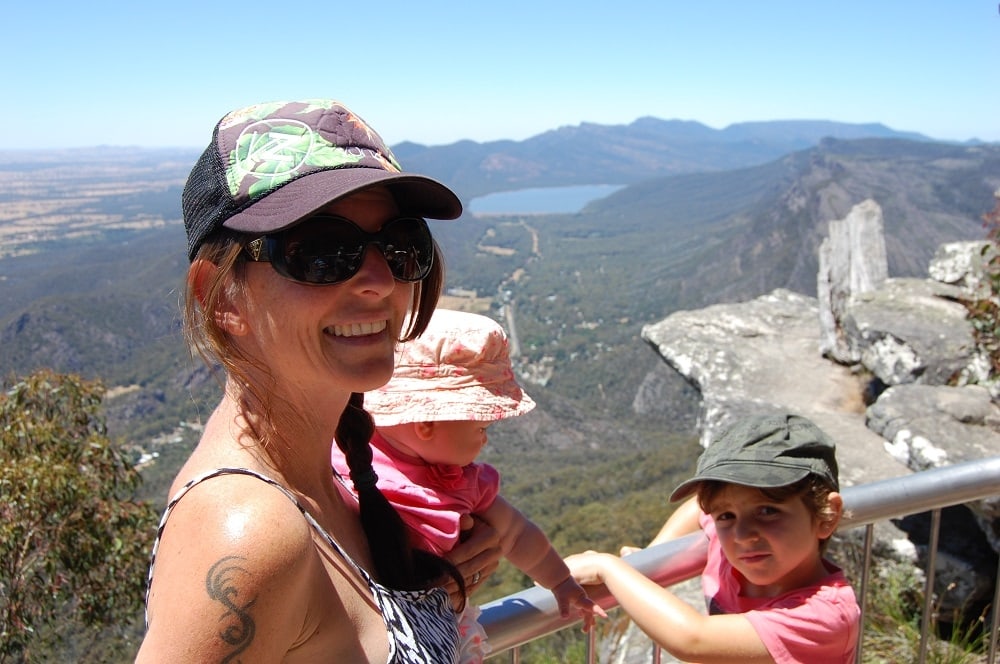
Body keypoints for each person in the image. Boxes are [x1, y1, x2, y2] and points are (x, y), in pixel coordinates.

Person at [137, 99, 503, 664]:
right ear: (221, 297)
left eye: (400, 244)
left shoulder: (323, 474)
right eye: (323, 254)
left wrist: (428, 594)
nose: (380, 281)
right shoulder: (250, 535)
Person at [333, 308, 604, 662]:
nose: (485, 441)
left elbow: (518, 534)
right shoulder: (453, 483)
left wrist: (562, 582)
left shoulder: (339, 454)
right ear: (427, 424)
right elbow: (517, 534)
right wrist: (562, 584)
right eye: (481, 428)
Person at [566, 413, 860, 664]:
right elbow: (700, 506)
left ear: (826, 516)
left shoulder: (825, 616)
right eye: (726, 516)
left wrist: (609, 567)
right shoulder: (731, 537)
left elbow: (693, 639)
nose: (743, 535)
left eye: (768, 510)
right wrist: (652, 556)